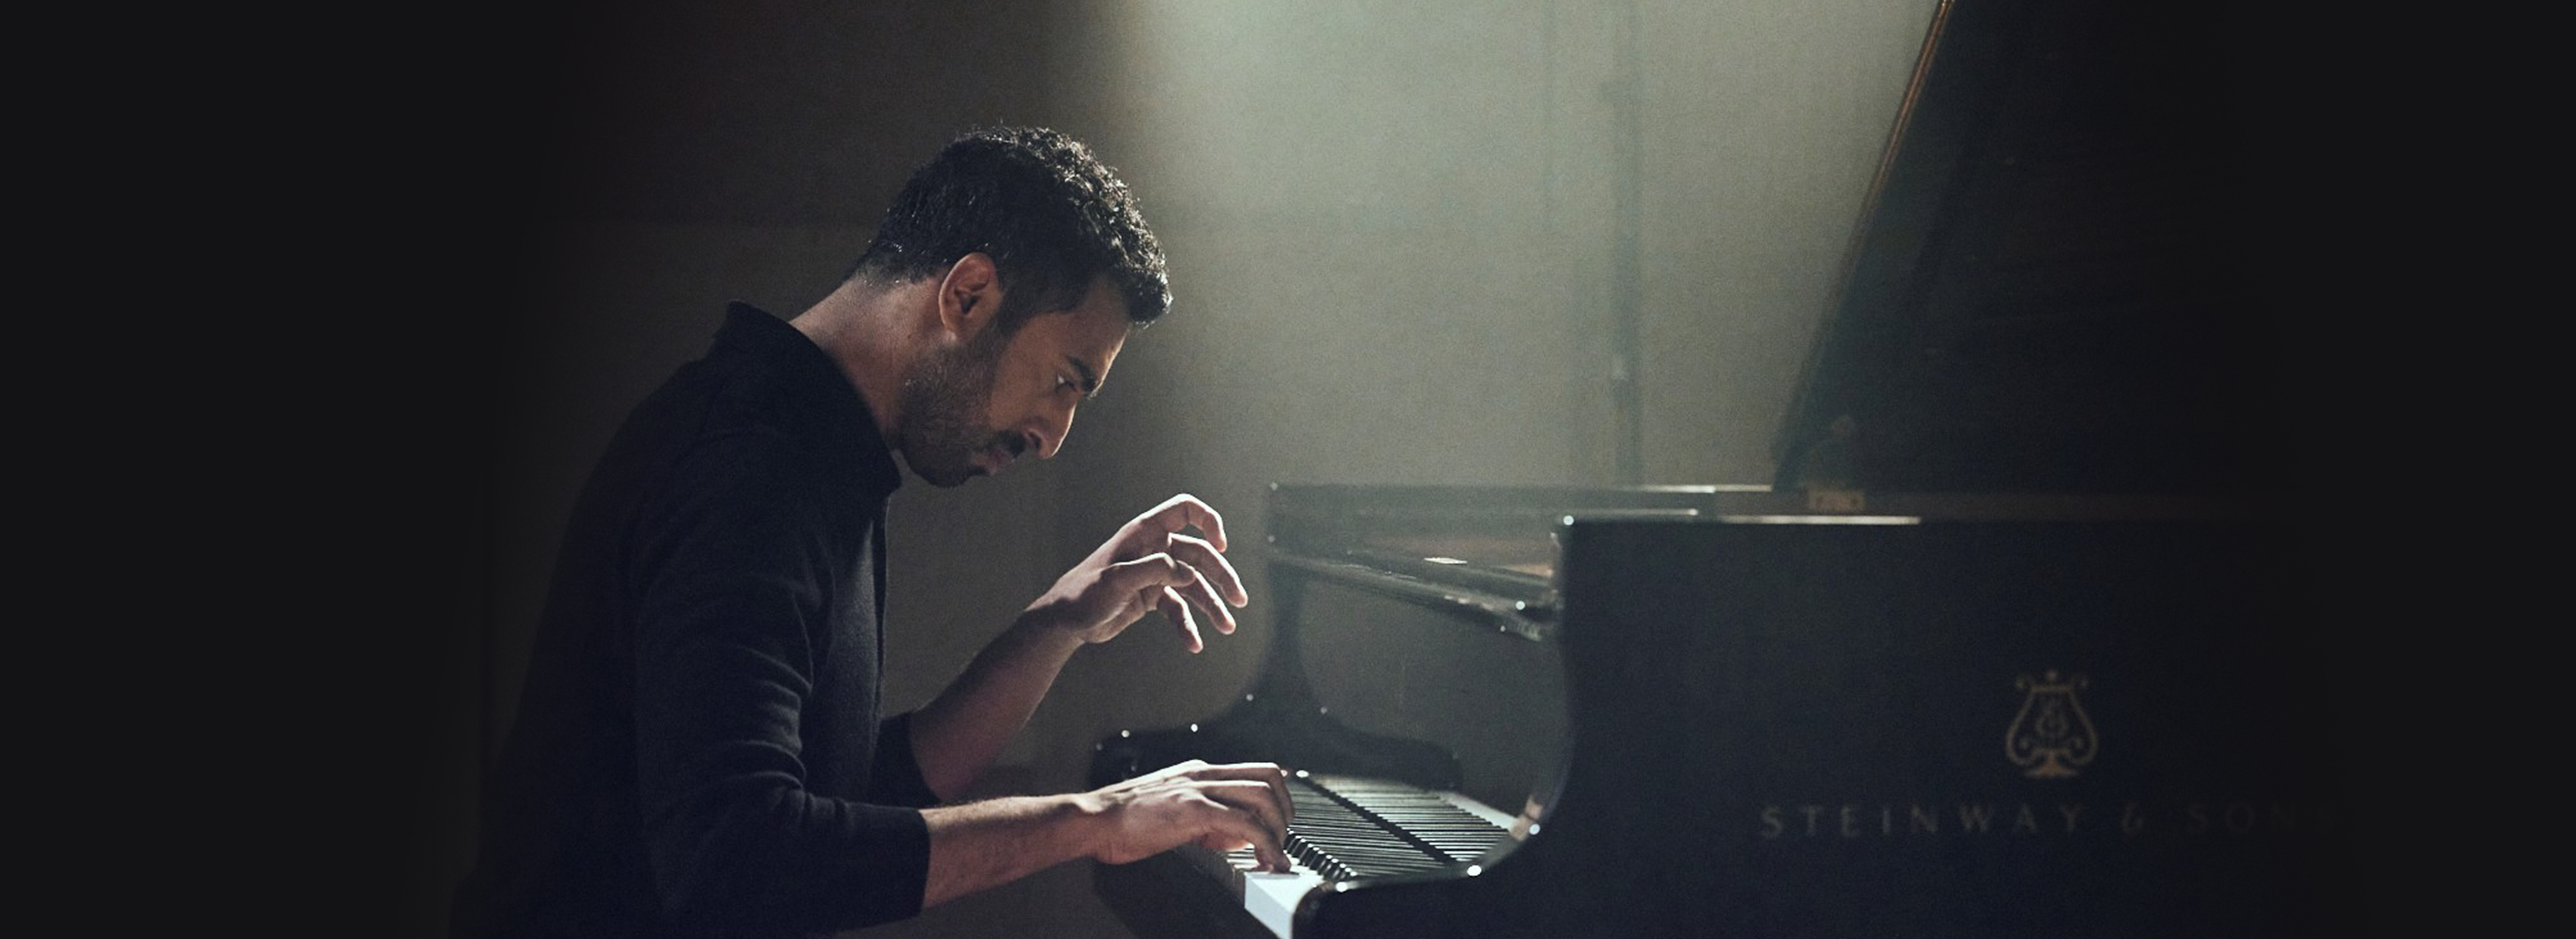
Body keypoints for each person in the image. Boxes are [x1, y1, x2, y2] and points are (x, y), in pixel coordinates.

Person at [452, 126, 1293, 938]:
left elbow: (853, 796)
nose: (1052, 436)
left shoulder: (813, 449)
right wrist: (1100, 820)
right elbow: (737, 860)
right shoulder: (748, 471)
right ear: (967, 295)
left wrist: (1058, 623)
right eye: (1065, 383)